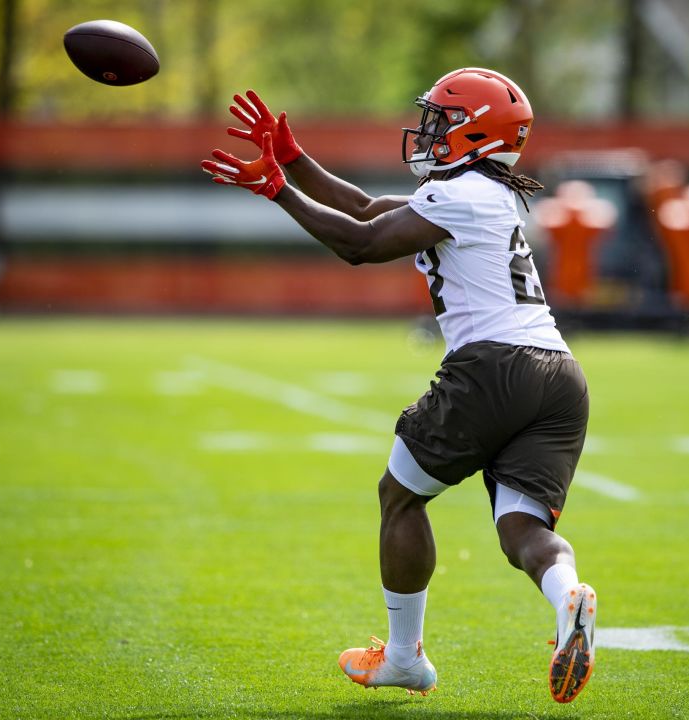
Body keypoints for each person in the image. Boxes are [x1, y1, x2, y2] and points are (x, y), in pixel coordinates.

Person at [201, 67, 596, 704]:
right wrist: (295, 160)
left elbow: (358, 242)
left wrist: (278, 191)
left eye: (443, 120)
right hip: (558, 374)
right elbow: (364, 207)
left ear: (476, 134)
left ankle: (406, 658)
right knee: (522, 528)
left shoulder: (459, 193)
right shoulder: (487, 193)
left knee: (400, 496)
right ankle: (568, 591)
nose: (429, 130)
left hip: (493, 365)